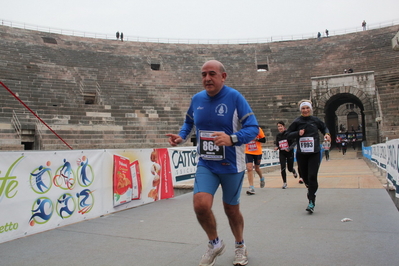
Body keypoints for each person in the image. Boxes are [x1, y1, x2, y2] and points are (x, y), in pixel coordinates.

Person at [166, 60, 258, 266]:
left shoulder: (235, 97)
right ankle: (214, 243)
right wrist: (181, 136)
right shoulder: (197, 99)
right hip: (207, 163)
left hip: (231, 165)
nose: (207, 78)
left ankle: (240, 245)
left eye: (212, 74)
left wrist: (232, 139)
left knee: (231, 209)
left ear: (223, 76)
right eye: (203, 74)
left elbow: (253, 128)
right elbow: (189, 121)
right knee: (200, 205)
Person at [286, 100, 330, 213]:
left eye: (307, 108)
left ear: (310, 109)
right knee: (305, 177)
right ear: (300, 110)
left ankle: (311, 200)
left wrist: (327, 134)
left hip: (314, 153)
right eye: (303, 108)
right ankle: (310, 190)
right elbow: (287, 134)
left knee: (312, 176)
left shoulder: (315, 120)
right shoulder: (297, 121)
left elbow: (324, 128)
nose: (305, 110)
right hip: (302, 154)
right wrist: (297, 134)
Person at [274, 121, 299, 189]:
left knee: (289, 168)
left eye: (281, 126)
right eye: (278, 126)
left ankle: (293, 170)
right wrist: (277, 147)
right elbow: (277, 144)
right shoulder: (278, 135)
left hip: (289, 153)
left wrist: (289, 148)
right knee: (283, 168)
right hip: (282, 153)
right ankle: (284, 183)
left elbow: (294, 142)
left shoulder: (288, 134)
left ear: (284, 127)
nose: (279, 128)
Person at [245, 126, 266, 195]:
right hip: (248, 152)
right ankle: (251, 187)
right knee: (249, 168)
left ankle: (261, 178)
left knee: (257, 168)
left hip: (257, 152)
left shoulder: (258, 129)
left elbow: (264, 140)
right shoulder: (244, 129)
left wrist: (256, 139)